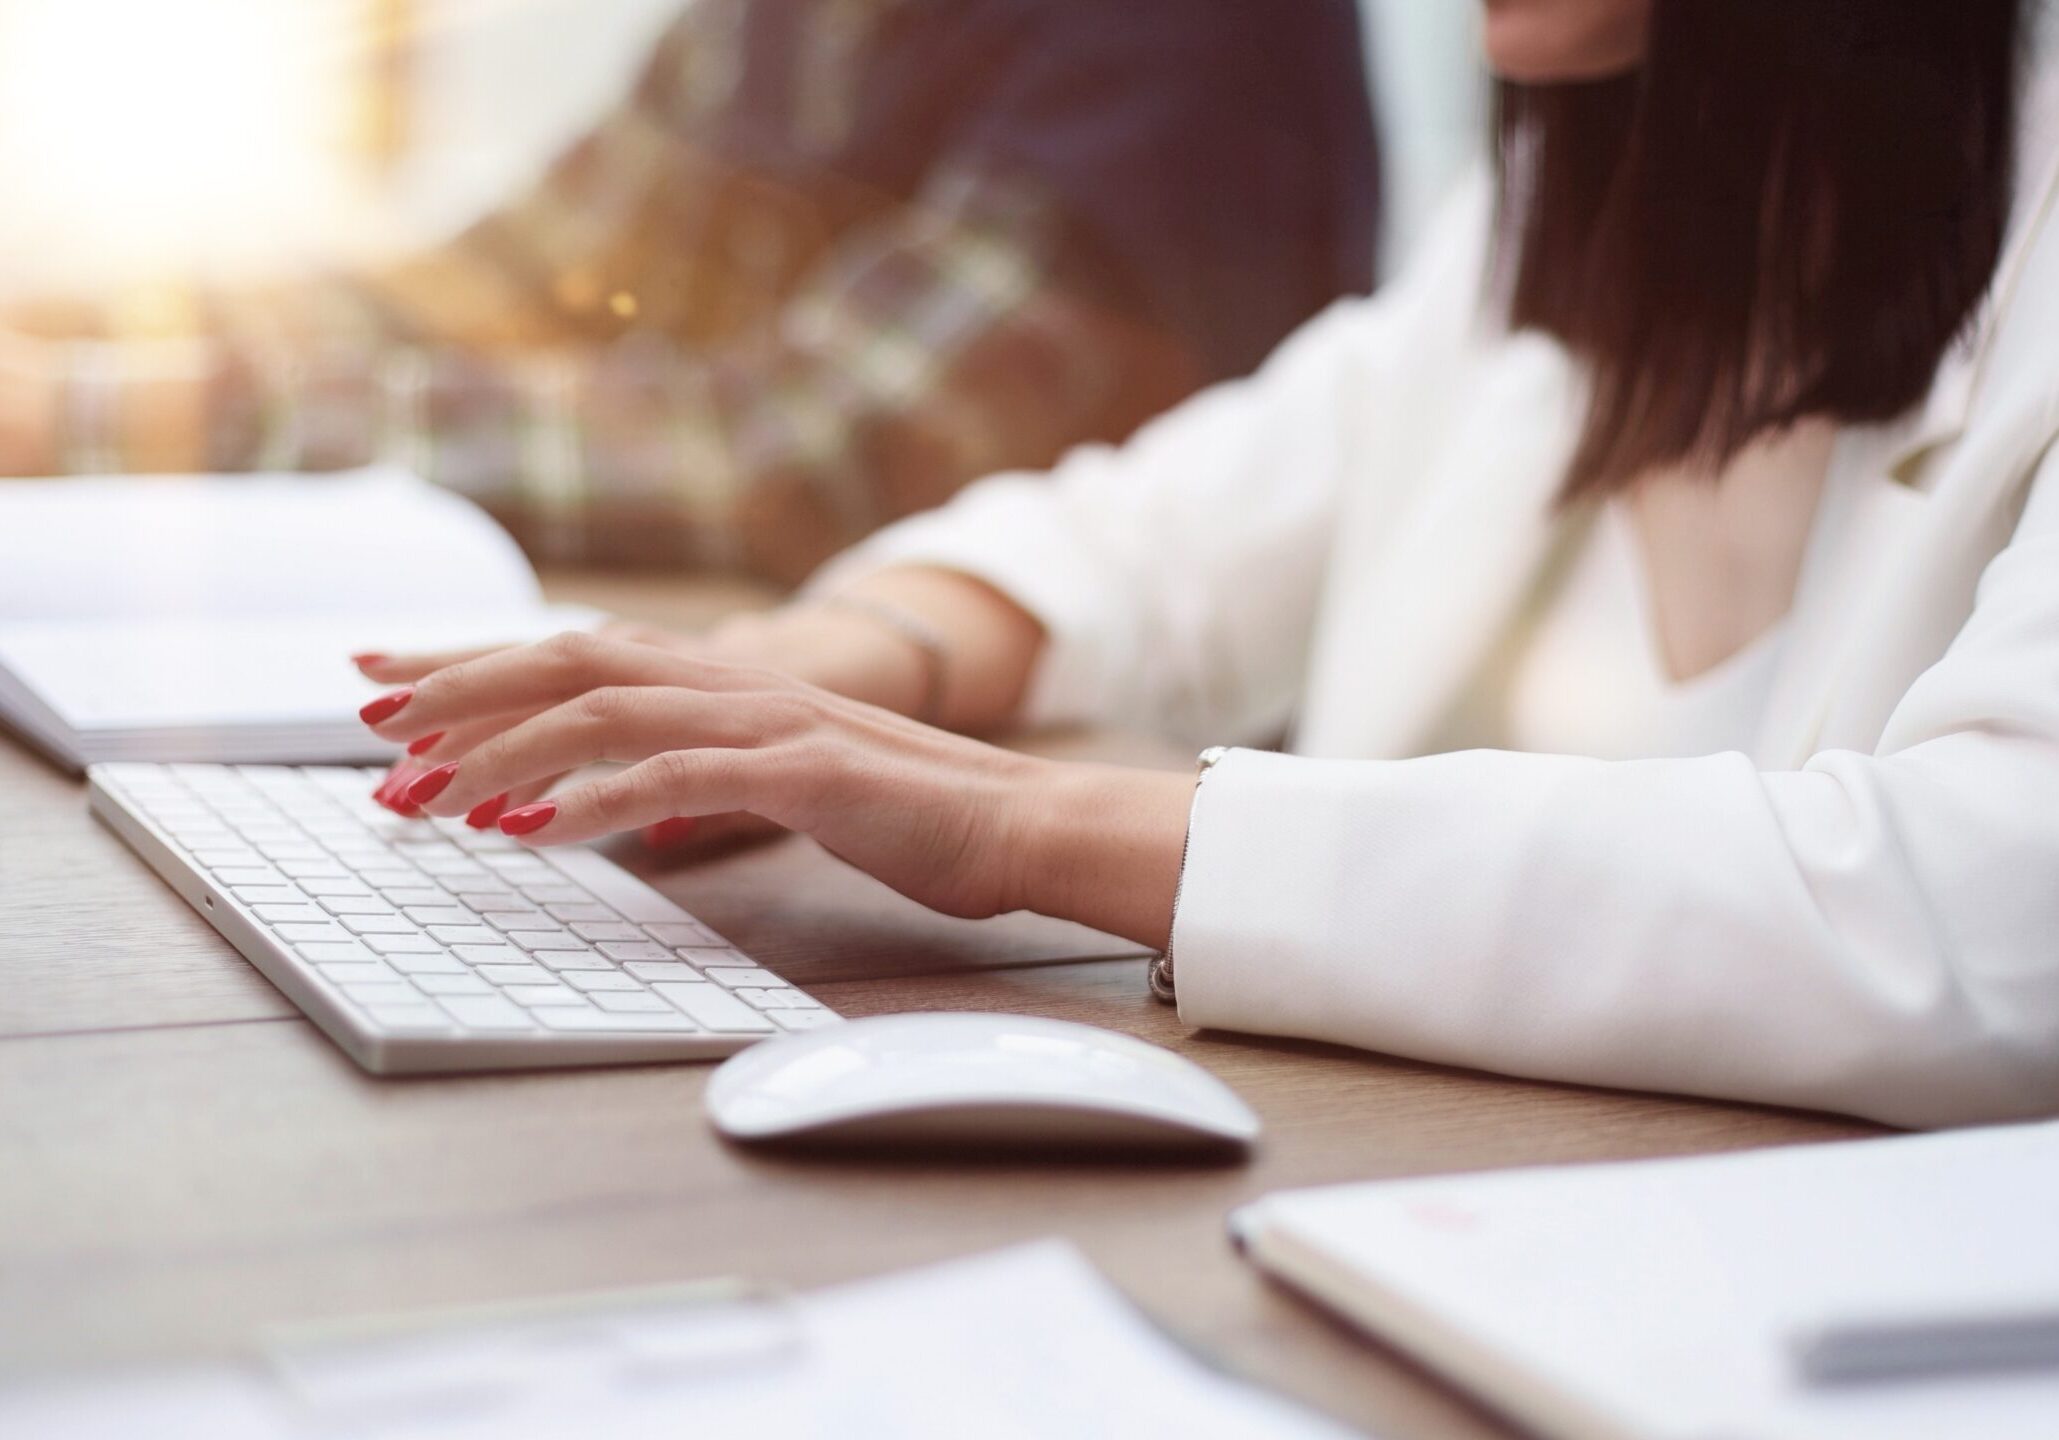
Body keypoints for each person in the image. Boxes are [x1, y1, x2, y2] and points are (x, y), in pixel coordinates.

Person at [354, 0, 2059, 1129]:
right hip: (1406, 1217)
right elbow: (1148, 543)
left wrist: (1019, 824)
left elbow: (1994, 917)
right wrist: (820, 675)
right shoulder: (1572, 209)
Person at [0, 0, 1378, 580]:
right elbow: (505, 281)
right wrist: (67, 339)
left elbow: (806, 457)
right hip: (796, 732)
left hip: (1074, 872)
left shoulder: (1183, 43)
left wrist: (112, 420)